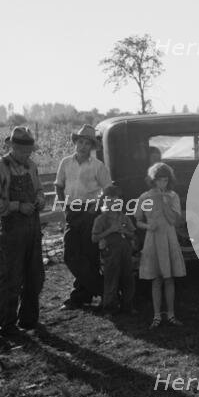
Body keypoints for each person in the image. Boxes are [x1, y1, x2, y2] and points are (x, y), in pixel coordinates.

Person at [0, 127, 45, 338]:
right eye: (23, 151)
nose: (27, 155)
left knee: (34, 276)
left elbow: (38, 190)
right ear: (13, 147)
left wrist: (40, 200)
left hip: (33, 230)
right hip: (11, 233)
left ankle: (29, 319)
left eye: (29, 151)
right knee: (9, 278)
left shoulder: (31, 166)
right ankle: (6, 324)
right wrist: (17, 206)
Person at [55, 124, 112, 310]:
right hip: (72, 211)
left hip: (90, 212)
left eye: (87, 143)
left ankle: (80, 297)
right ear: (75, 142)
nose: (83, 146)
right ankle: (104, 289)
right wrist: (64, 206)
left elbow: (108, 190)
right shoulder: (65, 163)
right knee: (70, 255)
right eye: (80, 142)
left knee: (89, 255)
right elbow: (58, 186)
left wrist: (96, 205)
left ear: (92, 146)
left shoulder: (98, 166)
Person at [135, 162, 186, 328]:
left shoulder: (173, 196)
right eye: (158, 180)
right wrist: (148, 226)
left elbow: (174, 220)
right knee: (156, 278)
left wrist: (164, 203)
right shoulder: (144, 197)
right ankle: (157, 315)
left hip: (169, 238)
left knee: (169, 277)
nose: (161, 184)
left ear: (169, 180)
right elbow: (138, 221)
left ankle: (171, 314)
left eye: (165, 180)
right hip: (153, 238)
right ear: (152, 180)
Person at [91, 185, 137, 317]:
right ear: (104, 201)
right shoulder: (101, 219)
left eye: (115, 201)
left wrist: (125, 231)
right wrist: (110, 230)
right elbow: (94, 238)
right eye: (109, 201)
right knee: (111, 280)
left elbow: (133, 235)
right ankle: (110, 308)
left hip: (125, 252)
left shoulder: (124, 217)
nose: (112, 204)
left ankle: (128, 305)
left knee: (128, 278)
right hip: (110, 254)